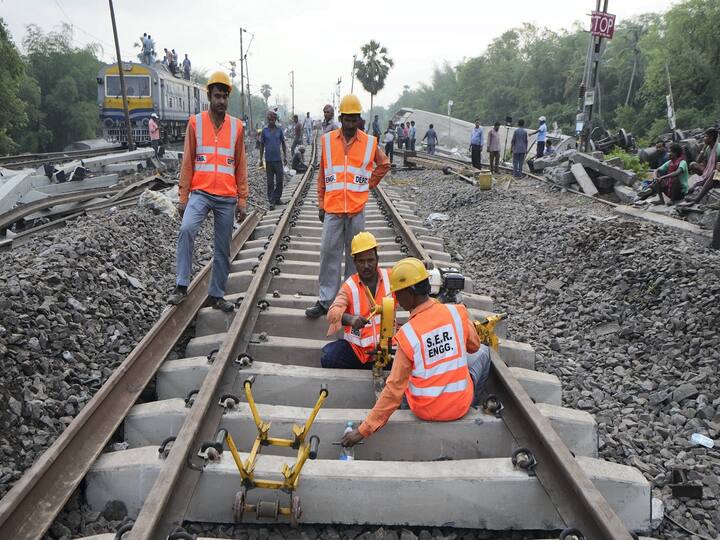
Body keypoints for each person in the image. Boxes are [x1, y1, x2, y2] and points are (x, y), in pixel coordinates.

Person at [340, 257, 492, 448]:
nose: (396, 299)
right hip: (460, 407)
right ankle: (474, 402)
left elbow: (393, 390)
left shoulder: (408, 335)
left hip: (425, 409)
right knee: (485, 352)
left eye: (398, 294)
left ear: (410, 292)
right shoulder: (456, 313)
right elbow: (474, 346)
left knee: (410, 372)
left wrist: (362, 430)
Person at [305, 95, 391, 318]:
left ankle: (351, 300)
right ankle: (326, 300)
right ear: (341, 118)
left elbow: (384, 164)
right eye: (348, 119)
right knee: (328, 253)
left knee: (357, 258)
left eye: (355, 120)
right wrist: (321, 203)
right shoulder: (327, 141)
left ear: (359, 119)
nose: (351, 124)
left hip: (356, 209)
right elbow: (323, 174)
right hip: (333, 208)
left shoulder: (370, 143)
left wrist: (368, 185)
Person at [168, 72, 247, 311]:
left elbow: (240, 164)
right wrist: (183, 198)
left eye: (224, 96)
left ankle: (217, 294)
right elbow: (188, 162)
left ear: (227, 98)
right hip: (200, 193)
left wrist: (242, 200)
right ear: (209, 96)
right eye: (217, 96)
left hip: (226, 197)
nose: (221, 101)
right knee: (186, 229)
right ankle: (181, 286)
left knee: (222, 247)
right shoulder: (195, 123)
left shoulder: (236, 127)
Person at [320, 232, 395, 368]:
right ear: (354, 262)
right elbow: (332, 313)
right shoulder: (350, 286)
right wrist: (350, 319)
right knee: (329, 358)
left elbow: (407, 279)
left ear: (377, 259)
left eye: (370, 260)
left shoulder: (390, 277)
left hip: (387, 349)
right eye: (361, 261)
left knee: (410, 360)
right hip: (357, 351)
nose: (366, 266)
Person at [259, 110, 288, 210]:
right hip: (268, 160)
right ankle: (271, 201)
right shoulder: (264, 131)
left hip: (278, 160)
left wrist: (285, 156)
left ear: (275, 120)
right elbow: (262, 145)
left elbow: (283, 143)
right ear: (267, 120)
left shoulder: (279, 131)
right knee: (270, 182)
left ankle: (277, 198)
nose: (271, 121)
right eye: (269, 119)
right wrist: (260, 159)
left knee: (280, 180)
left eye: (272, 119)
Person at [685, 128, 720, 204]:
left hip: (716, 174)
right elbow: (698, 161)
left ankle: (697, 198)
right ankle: (703, 182)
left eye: (705, 136)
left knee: (714, 173)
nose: (704, 138)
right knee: (693, 164)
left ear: (711, 138)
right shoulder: (707, 148)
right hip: (709, 172)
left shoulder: (718, 149)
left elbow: (717, 169)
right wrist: (703, 148)